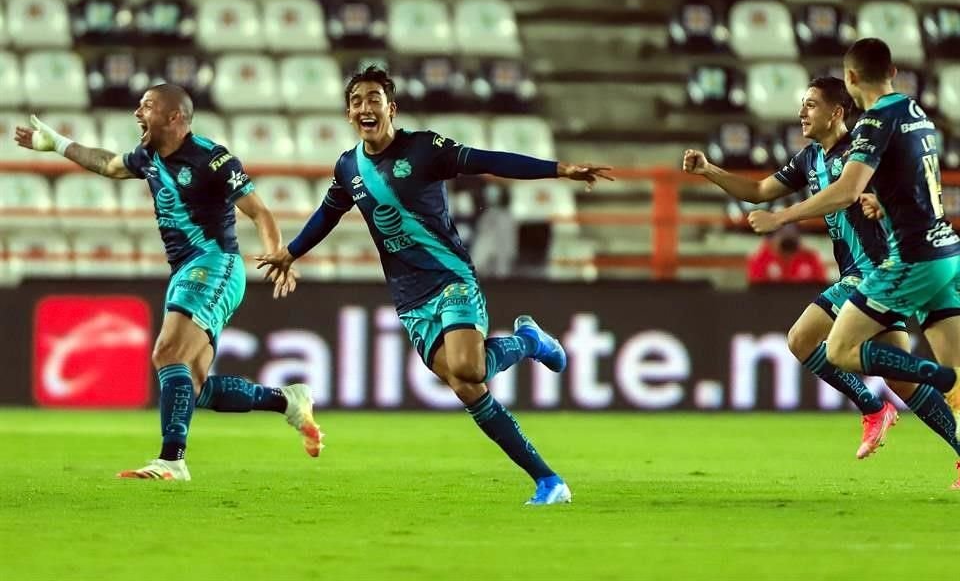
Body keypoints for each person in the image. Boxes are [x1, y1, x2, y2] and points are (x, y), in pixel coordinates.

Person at [256, 66, 614, 504]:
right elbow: (328, 213)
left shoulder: (424, 148)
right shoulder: (348, 167)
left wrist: (558, 169)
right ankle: (548, 479)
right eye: (356, 101)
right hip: (410, 298)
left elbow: (488, 160)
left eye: (373, 99)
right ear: (348, 114)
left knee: (471, 369)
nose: (364, 107)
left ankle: (527, 343)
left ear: (391, 107)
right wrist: (291, 252)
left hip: (450, 277)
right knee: (466, 387)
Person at [14, 83, 321, 481]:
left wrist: (280, 252)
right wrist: (57, 143)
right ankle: (288, 401)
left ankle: (172, 460)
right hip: (183, 272)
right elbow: (109, 164)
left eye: (148, 106)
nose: (137, 113)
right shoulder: (148, 156)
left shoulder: (213, 159)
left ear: (174, 117)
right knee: (191, 385)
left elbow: (260, 212)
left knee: (167, 352)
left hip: (215, 263)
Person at [683, 76, 959, 462]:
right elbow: (760, 191)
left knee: (801, 339)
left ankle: (875, 407)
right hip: (872, 272)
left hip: (877, 269)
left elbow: (899, 184)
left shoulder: (862, 151)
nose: (801, 112)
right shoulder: (809, 159)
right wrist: (710, 170)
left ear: (837, 112)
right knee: (900, 376)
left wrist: (878, 200)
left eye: (811, 105)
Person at [746, 39, 960, 485]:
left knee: (840, 350)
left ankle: (913, 391)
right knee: (919, 381)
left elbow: (845, 190)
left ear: (850, 80)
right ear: (894, 72)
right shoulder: (917, 114)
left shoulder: (875, 122)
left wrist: (781, 217)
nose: (802, 113)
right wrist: (883, 201)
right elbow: (906, 179)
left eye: (810, 104)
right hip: (944, 250)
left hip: (904, 260)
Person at [746, 224, 827, 284]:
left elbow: (820, 289)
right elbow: (756, 291)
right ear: (771, 240)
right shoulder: (760, 259)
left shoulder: (810, 258)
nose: (787, 251)